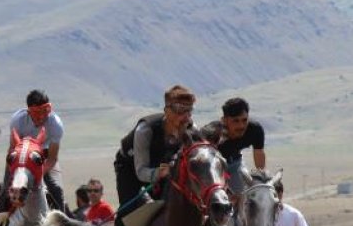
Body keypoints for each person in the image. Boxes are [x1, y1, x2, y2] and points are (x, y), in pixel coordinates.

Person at [0, 90, 66, 226]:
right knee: (6, 191)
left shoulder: (55, 125)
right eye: (36, 113)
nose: (41, 117)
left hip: (43, 158)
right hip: (19, 158)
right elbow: (12, 149)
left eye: (45, 111)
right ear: (28, 111)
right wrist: (15, 175)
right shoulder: (18, 121)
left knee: (57, 190)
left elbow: (53, 158)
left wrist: (39, 173)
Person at [114, 85, 199, 218]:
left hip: (164, 167)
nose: (186, 117)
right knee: (129, 212)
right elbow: (141, 171)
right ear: (167, 110)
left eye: (189, 110)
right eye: (180, 110)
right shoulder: (145, 130)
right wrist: (160, 172)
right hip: (131, 168)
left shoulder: (191, 129)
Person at [200, 97, 266, 195]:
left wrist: (261, 181)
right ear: (224, 120)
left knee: (243, 195)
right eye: (236, 121)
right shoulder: (211, 133)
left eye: (244, 120)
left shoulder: (254, 130)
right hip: (211, 167)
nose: (241, 126)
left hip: (234, 164)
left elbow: (259, 154)